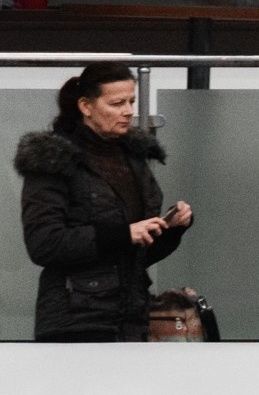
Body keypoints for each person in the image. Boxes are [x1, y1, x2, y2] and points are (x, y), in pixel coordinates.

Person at [16, 67, 193, 342]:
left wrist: (171, 229)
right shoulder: (53, 159)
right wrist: (124, 233)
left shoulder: (133, 159)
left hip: (131, 317)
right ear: (85, 106)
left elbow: (135, 255)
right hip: (75, 319)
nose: (127, 111)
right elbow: (43, 243)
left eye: (131, 102)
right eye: (116, 103)